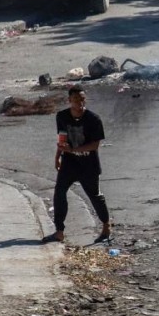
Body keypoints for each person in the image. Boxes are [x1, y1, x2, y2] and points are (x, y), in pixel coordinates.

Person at [44, 86, 111, 244]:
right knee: (59, 193)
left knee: (94, 195)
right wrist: (58, 156)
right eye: (75, 100)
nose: (79, 103)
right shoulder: (62, 116)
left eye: (82, 99)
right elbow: (62, 138)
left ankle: (106, 226)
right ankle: (59, 231)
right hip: (69, 163)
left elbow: (94, 145)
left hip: (89, 164)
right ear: (69, 100)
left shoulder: (93, 119)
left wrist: (74, 149)